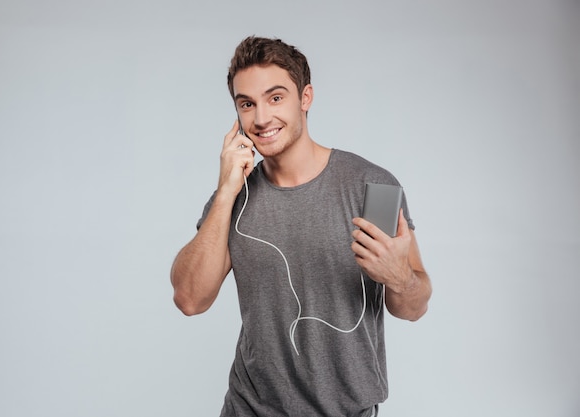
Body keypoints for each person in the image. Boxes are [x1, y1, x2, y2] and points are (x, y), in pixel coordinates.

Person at [170, 36, 432, 417]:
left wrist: (400, 278)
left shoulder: (372, 188)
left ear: (305, 97)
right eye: (247, 104)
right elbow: (189, 299)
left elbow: (413, 308)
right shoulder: (233, 199)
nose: (261, 118)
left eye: (275, 98)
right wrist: (226, 191)